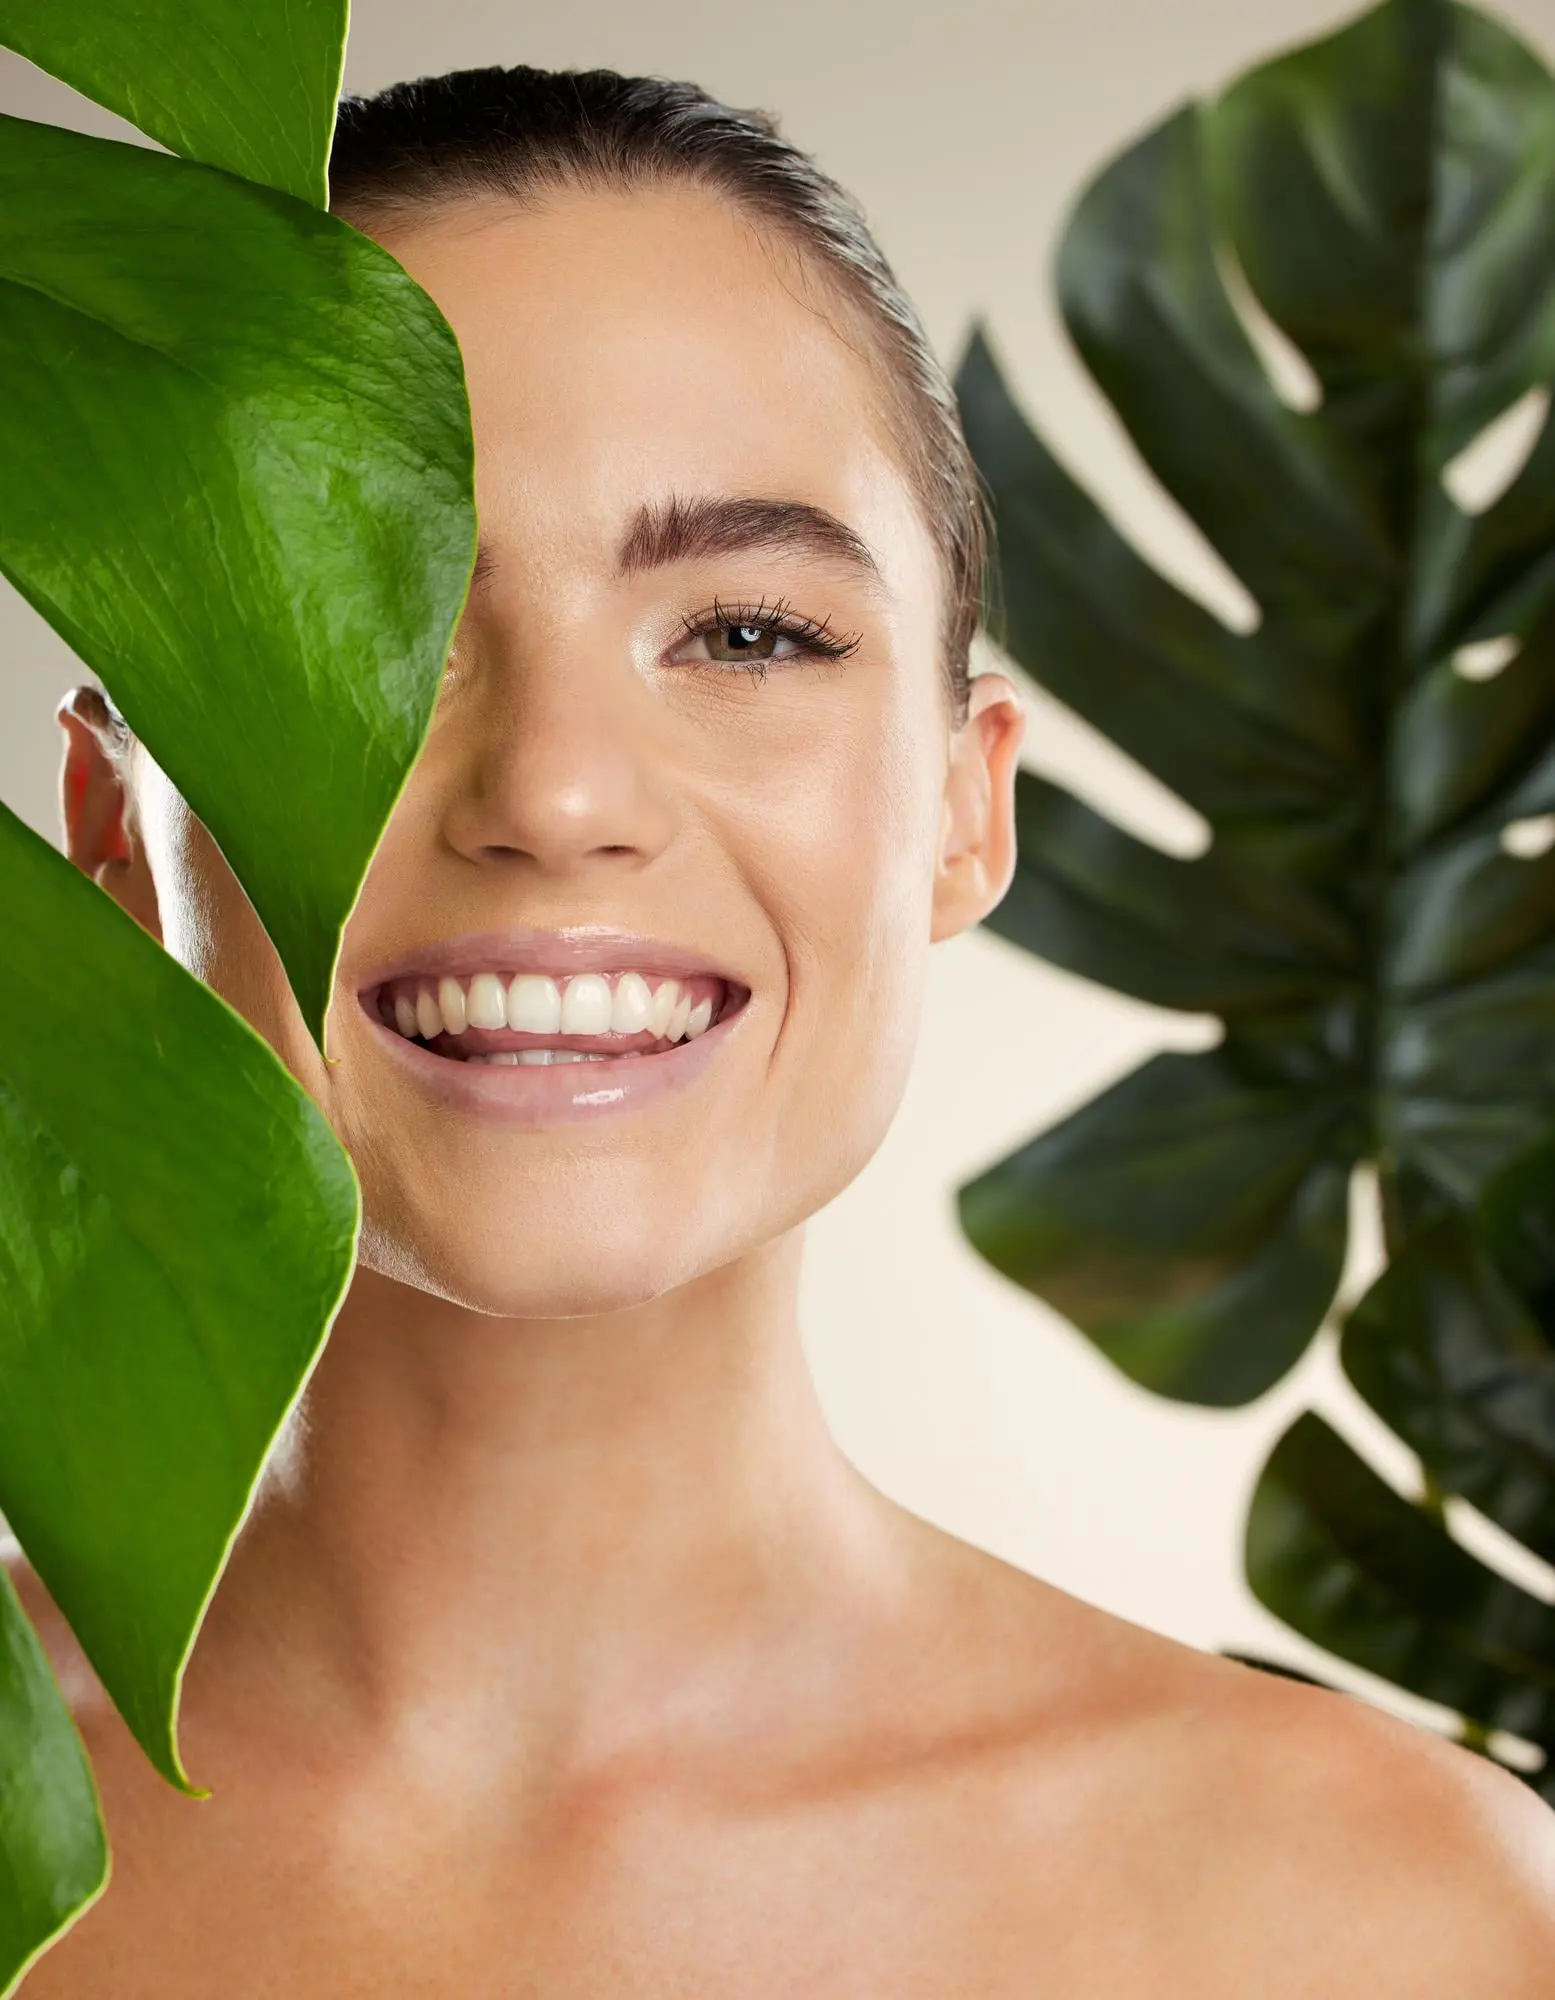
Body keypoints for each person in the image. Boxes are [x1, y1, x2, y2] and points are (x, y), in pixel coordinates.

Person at [13, 63, 1555, 1998]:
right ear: (108, 826)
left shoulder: (1401, 1926)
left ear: (963, 808)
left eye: (746, 633)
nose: (556, 791)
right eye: (366, 626)